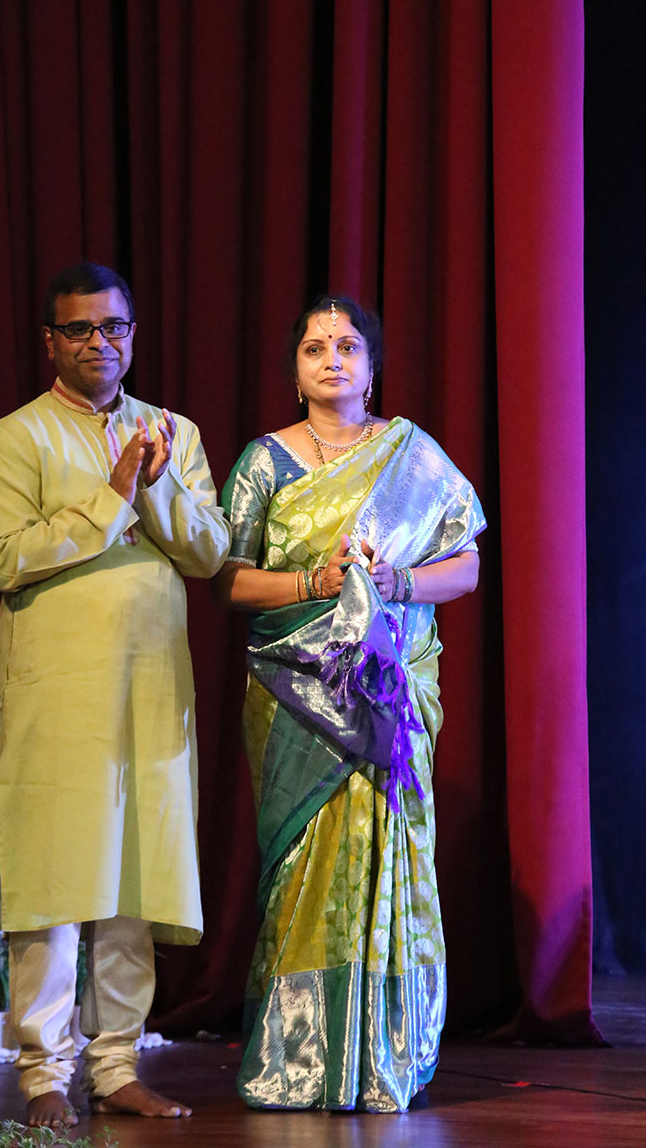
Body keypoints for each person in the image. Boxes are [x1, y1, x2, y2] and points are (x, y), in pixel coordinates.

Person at [0, 261, 230, 1127]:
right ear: (50, 341)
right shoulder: (15, 439)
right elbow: (8, 558)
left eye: (112, 327)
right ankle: (43, 1074)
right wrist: (113, 495)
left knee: (135, 883)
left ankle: (116, 1067)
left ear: (132, 334)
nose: (99, 343)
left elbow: (207, 553)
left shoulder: (174, 433)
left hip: (152, 688)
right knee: (56, 879)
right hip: (60, 694)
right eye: (79, 329)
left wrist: (156, 483)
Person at [214, 295, 486, 1113]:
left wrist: (395, 582)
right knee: (306, 865)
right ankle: (298, 1055)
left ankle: (385, 1052)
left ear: (372, 367)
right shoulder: (264, 462)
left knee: (386, 854)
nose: (332, 359)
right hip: (295, 692)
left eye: (347, 346)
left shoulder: (414, 456)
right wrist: (316, 583)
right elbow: (229, 580)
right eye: (314, 348)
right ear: (295, 371)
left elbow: (466, 567)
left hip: (391, 692)